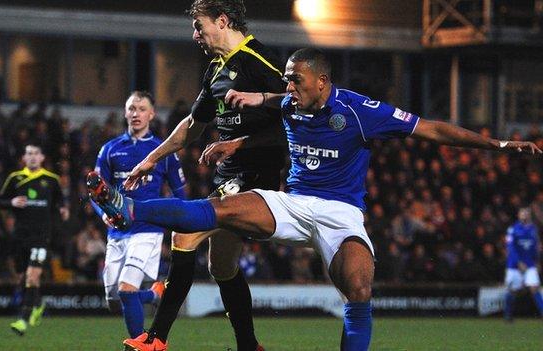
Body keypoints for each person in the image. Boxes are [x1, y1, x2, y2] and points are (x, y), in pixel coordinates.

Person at [88, 47, 542, 350]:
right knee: (222, 208)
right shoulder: (290, 102)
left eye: (297, 81)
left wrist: (498, 145)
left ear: (322, 81)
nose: (290, 88)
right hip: (294, 202)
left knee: (359, 286)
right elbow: (271, 101)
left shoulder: (358, 110)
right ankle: (128, 208)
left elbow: (432, 129)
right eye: (286, 81)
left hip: (341, 213)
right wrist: (235, 144)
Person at [114, 1, 286, 350]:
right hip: (228, 178)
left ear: (222, 21)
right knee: (222, 267)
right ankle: (249, 346)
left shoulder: (261, 60)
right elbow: (193, 125)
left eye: (199, 26)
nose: (195, 34)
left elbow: (295, 118)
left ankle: (156, 339)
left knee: (185, 234)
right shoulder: (215, 69)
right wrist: (151, 159)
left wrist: (239, 144)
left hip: (255, 178)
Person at [89, 91, 186, 341]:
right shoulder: (110, 149)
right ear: (125, 112)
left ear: (151, 114)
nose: (136, 113)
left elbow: (180, 191)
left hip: (148, 229)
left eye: (142, 109)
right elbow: (95, 191)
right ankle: (154, 295)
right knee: (113, 299)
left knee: (126, 289)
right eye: (131, 108)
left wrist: (183, 225)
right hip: (117, 231)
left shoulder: (163, 150)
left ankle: (143, 344)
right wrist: (103, 214)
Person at [0, 142, 69, 335]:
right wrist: (11, 202)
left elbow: (60, 200)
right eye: (28, 153)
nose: (32, 156)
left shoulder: (51, 179)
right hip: (21, 236)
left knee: (32, 275)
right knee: (23, 277)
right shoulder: (15, 178)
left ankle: (22, 319)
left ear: (42, 157)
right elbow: (0, 201)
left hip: (42, 236)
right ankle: (37, 304)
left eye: (35, 153)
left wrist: (63, 209)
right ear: (24, 157)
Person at [503, 207, 543, 321]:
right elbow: (510, 247)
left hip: (530, 264)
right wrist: (518, 262)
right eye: (522, 213)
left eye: (526, 213)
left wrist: (537, 261)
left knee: (534, 288)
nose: (524, 215)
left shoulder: (533, 229)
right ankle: (508, 315)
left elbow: (536, 247)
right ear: (518, 215)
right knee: (512, 290)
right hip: (514, 266)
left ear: (529, 215)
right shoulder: (513, 229)